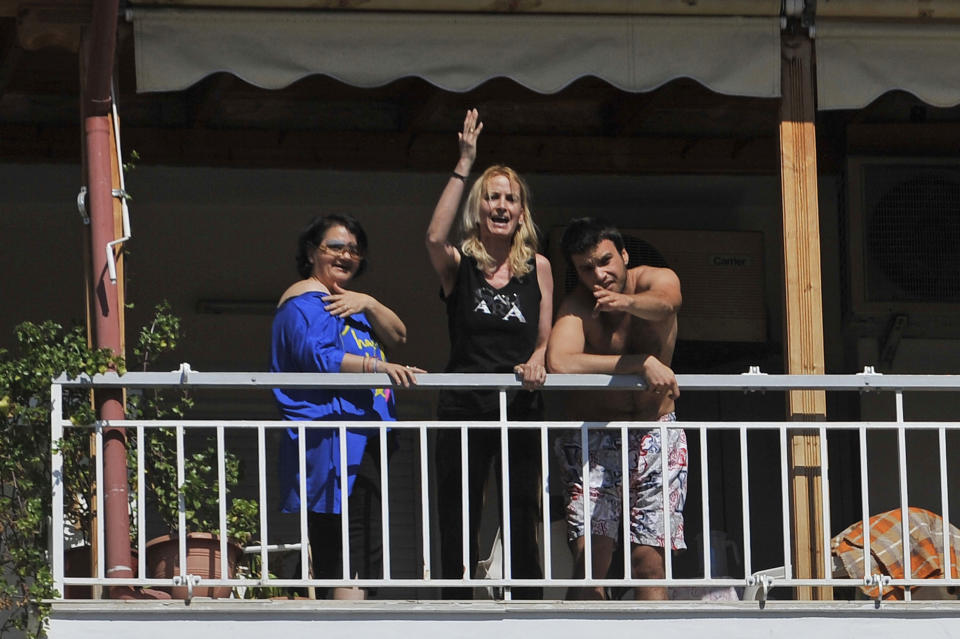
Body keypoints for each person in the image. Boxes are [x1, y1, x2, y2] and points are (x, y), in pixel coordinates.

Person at [425, 109, 554, 599]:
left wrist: (540, 357)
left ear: (521, 212)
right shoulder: (460, 263)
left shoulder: (537, 267)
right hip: (464, 403)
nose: (501, 206)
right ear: (479, 208)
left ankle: (527, 605)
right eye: (493, 197)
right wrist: (465, 163)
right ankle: (455, 605)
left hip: (521, 404)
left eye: (510, 199)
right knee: (458, 508)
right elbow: (433, 237)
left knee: (522, 505)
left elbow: (542, 338)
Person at [271, 214, 424, 600]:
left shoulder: (348, 304)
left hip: (362, 437)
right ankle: (347, 622)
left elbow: (399, 334)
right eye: (335, 247)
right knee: (346, 550)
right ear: (311, 252)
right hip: (335, 442)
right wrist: (378, 367)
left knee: (365, 546)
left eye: (354, 250)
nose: (346, 255)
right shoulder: (306, 300)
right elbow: (319, 356)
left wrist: (369, 302)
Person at [547, 217, 688, 601]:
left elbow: (667, 304)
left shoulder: (655, 279)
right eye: (586, 268)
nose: (599, 274)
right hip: (594, 437)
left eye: (605, 261)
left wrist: (626, 303)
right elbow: (559, 362)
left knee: (650, 562)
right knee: (591, 563)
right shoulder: (577, 304)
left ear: (623, 254)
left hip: (655, 431)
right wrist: (638, 363)